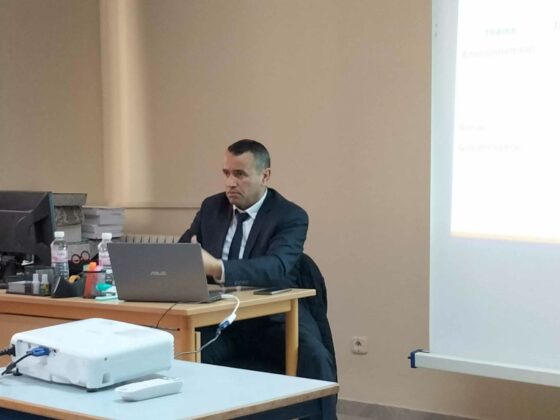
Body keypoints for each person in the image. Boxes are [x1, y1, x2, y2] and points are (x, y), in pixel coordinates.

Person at [179, 139, 336, 419]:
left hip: (273, 317)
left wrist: (218, 267)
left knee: (315, 358)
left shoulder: (290, 215)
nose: (230, 183)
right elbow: (183, 253)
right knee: (178, 356)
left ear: (265, 176)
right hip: (219, 318)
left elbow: (277, 267)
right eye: (226, 173)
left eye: (240, 174)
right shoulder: (211, 208)